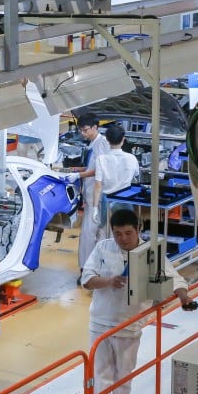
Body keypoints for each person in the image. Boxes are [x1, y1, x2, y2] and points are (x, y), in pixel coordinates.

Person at [81, 208, 194, 394]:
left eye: (128, 233)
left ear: (138, 230)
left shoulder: (150, 252)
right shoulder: (103, 248)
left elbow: (174, 278)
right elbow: (86, 279)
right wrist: (108, 281)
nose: (123, 238)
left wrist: (184, 297)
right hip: (101, 325)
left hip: (130, 326)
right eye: (118, 233)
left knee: (124, 376)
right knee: (101, 378)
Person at [69, 115, 111, 282]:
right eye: (81, 130)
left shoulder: (103, 144)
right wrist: (78, 169)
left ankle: (88, 272)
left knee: (90, 234)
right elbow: (91, 167)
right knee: (94, 234)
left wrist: (79, 174)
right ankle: (91, 271)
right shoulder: (93, 145)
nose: (83, 133)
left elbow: (98, 170)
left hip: (99, 197)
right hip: (91, 196)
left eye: (85, 130)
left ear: (95, 127)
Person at [90, 124, 140, 229]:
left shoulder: (101, 159)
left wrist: (94, 208)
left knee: (106, 231)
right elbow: (136, 176)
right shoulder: (132, 158)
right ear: (123, 139)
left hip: (107, 200)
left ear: (107, 140)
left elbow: (98, 185)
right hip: (125, 199)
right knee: (127, 230)